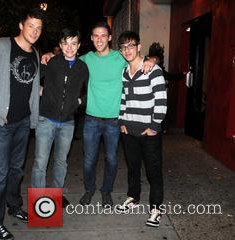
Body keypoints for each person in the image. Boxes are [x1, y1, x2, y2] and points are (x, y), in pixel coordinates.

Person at [41, 22, 155, 208]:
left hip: (114, 120)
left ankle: (106, 192)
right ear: (92, 39)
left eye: (103, 35)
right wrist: (50, 54)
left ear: (109, 38)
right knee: (89, 159)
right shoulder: (86, 59)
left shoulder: (120, 57)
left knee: (111, 159)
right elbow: (67, 56)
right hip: (91, 119)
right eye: (96, 36)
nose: (100, 39)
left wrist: (152, 60)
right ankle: (89, 190)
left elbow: (139, 58)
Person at [0, 8, 44, 240]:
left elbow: (31, 86)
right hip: (1, 122)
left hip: (23, 121)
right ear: (21, 25)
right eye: (31, 26)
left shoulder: (35, 53)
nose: (34, 31)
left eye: (38, 28)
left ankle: (14, 207)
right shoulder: (1, 46)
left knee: (16, 170)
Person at [31, 28, 89, 208]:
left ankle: (55, 196)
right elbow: (31, 79)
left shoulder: (82, 67)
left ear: (78, 46)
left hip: (68, 123)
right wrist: (39, 91)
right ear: (60, 45)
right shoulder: (51, 63)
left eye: (73, 43)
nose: (69, 47)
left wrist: (79, 101)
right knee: (40, 162)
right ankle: (38, 201)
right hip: (46, 120)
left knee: (61, 162)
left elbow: (92, 91)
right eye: (65, 43)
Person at [115, 31, 167, 227]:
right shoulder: (124, 72)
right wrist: (122, 121)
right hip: (129, 130)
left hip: (149, 132)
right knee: (133, 168)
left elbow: (161, 100)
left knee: (153, 171)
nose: (127, 50)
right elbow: (124, 98)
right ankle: (133, 199)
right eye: (123, 47)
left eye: (131, 46)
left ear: (139, 47)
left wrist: (154, 127)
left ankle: (156, 208)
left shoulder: (153, 70)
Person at [148, 42, 185, 133]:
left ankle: (160, 128)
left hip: (152, 92)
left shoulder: (150, 64)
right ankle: (161, 129)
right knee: (159, 109)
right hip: (155, 93)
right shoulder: (156, 66)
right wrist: (181, 74)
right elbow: (168, 76)